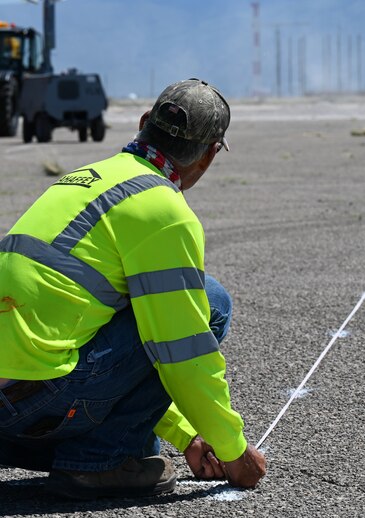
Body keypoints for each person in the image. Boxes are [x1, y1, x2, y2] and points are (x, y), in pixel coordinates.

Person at [0, 78, 266, 499]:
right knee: (210, 302)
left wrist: (187, 435)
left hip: (12, 402)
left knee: (137, 323)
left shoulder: (87, 178)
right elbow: (181, 352)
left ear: (144, 123)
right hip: (29, 407)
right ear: (210, 154)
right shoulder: (162, 209)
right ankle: (96, 463)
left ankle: (103, 450)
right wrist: (234, 451)